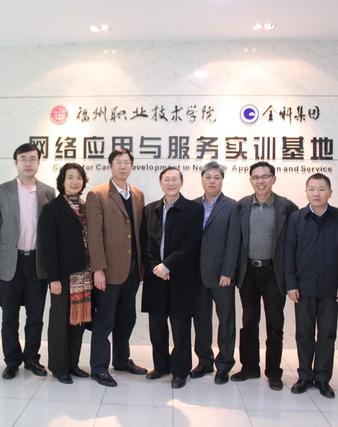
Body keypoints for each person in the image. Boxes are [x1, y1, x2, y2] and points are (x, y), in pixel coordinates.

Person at [285, 173, 338, 398]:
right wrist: (291, 284)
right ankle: (304, 376)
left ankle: (323, 378)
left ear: (330, 193)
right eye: (312, 189)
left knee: (327, 335)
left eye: (322, 189)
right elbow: (289, 253)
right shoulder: (296, 218)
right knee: (304, 335)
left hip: (331, 289)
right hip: (303, 288)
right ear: (306, 192)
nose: (316, 193)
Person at [231, 161, 297, 391]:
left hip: (274, 273)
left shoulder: (287, 207)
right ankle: (249, 367)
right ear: (250, 180)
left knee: (275, 324)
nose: (261, 181)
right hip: (248, 272)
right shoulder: (242, 206)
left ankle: (273, 372)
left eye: (265, 176)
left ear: (273, 179)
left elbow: (294, 244)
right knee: (249, 322)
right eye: (256, 177)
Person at [0, 144, 55, 379]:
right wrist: (7, 253)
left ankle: (31, 359)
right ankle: (11, 361)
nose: (28, 163)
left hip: (38, 263)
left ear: (39, 162)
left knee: (35, 316)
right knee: (9, 317)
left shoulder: (48, 192)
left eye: (32, 159)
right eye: (23, 159)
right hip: (12, 262)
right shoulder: (1, 191)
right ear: (15, 162)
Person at [86, 147, 148, 387]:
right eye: (118, 162)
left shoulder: (138, 194)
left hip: (133, 268)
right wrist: (98, 269)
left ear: (132, 166)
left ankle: (122, 360)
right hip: (109, 269)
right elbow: (94, 236)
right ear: (110, 166)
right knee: (105, 320)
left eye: (127, 162)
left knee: (127, 317)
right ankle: (99, 367)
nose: (123, 166)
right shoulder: (97, 194)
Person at [141, 167, 203, 389]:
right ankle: (161, 366)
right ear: (160, 183)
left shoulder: (194, 209)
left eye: (175, 179)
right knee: (157, 326)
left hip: (181, 276)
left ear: (181, 183)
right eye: (166, 179)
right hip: (155, 276)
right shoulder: (150, 210)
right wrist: (155, 267)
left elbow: (192, 243)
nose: (171, 183)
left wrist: (168, 266)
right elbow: (144, 243)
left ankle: (180, 370)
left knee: (180, 327)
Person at [37, 163, 92, 384]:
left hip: (83, 275)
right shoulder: (52, 209)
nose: (75, 182)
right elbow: (48, 247)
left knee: (78, 322)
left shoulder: (87, 207)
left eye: (78, 177)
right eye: (70, 177)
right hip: (62, 276)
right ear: (62, 181)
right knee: (60, 321)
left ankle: (72, 364)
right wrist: (54, 278)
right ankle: (59, 367)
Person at [190, 161, 240, 384]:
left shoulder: (232, 206)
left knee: (226, 321)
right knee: (201, 320)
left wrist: (228, 271)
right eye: (208, 177)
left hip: (222, 276)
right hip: (197, 275)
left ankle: (224, 365)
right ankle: (204, 361)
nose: (212, 181)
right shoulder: (192, 205)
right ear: (202, 179)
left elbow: (234, 242)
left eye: (216, 178)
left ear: (222, 180)